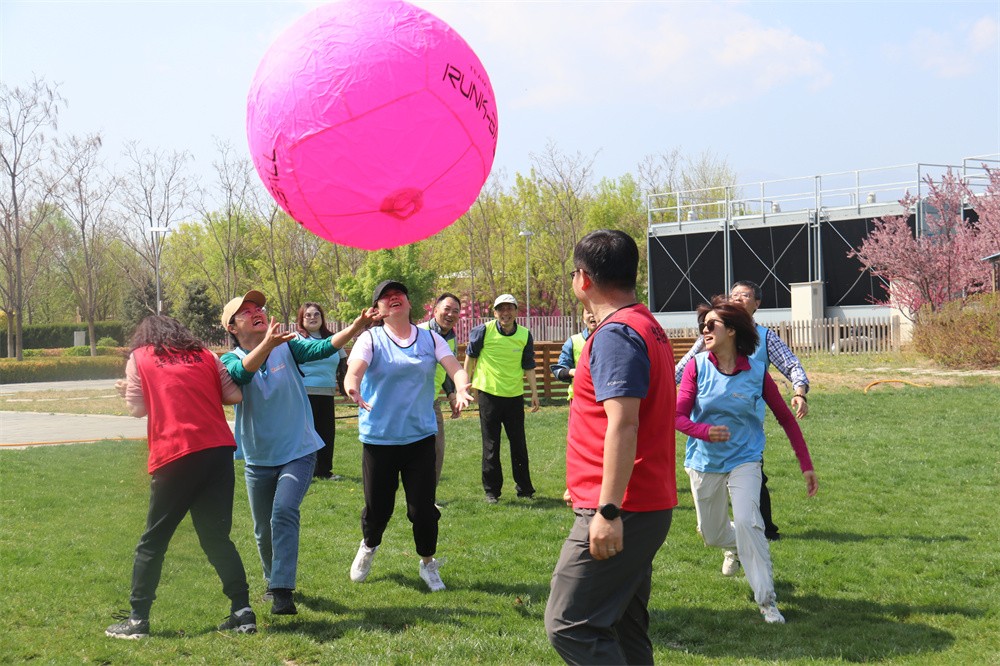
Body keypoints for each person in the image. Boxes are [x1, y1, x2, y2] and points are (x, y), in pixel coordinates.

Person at [544, 230, 677, 664]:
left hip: (625, 507)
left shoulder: (617, 333)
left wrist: (606, 509)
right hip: (639, 503)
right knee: (624, 625)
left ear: (583, 279)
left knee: (569, 624)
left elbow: (624, 424)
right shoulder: (645, 323)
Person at [221, 290, 373, 615]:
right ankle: (271, 580)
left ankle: (282, 590)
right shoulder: (229, 360)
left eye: (259, 307)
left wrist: (356, 326)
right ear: (232, 327)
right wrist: (266, 346)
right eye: (246, 311)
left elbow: (322, 347)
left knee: (283, 511)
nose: (257, 312)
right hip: (258, 458)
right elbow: (241, 374)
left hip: (299, 450)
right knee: (263, 530)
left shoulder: (287, 346)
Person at [106, 315, 256, 639]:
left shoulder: (140, 357)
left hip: (175, 453)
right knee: (217, 538)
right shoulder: (206, 355)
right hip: (217, 450)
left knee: (154, 540)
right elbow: (234, 397)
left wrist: (128, 390)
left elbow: (137, 409)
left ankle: (137, 620)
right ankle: (243, 612)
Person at [675, 296, 819, 624]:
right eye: (703, 326)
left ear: (732, 331)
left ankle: (767, 602)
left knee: (749, 522)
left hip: (745, 459)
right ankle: (737, 546)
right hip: (703, 461)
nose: (705, 330)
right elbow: (677, 417)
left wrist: (806, 465)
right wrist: (704, 431)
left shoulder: (756, 371)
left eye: (711, 325)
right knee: (711, 535)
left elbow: (785, 418)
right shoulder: (696, 367)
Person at [343, 280, 473, 591]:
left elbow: (455, 368)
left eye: (398, 293)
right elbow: (354, 370)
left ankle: (428, 563)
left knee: (423, 510)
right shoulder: (370, 338)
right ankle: (369, 545)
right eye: (385, 297)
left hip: (420, 437)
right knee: (378, 509)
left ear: (409, 303)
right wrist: (352, 387)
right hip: (380, 439)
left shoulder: (430, 339)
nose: (393, 298)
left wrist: (461, 387)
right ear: (378, 310)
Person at [674, 280, 810, 541]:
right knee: (711, 528)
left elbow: (792, 365)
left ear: (757, 304)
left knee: (752, 482)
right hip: (707, 443)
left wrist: (799, 391)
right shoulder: (712, 336)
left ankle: (764, 531)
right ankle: (731, 539)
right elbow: (680, 372)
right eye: (733, 294)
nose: (737, 298)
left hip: (747, 429)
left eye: (744, 295)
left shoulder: (766, 338)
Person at [463, 293, 540, 503]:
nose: (505, 313)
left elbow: (528, 365)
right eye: (501, 309)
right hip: (489, 395)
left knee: (519, 444)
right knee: (491, 445)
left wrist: (534, 393)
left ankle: (525, 489)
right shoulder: (483, 331)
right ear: (495, 312)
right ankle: (492, 492)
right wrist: (464, 386)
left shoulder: (524, 334)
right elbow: (470, 358)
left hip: (514, 395)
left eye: (509, 308)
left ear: (516, 311)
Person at [296, 301, 348, 481]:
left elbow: (343, 364)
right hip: (302, 394)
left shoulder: (334, 339)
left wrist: (344, 388)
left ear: (322, 317)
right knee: (304, 434)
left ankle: (324, 471)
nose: (312, 318)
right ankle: (302, 471)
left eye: (316, 314)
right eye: (308, 315)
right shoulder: (295, 338)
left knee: (326, 433)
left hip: (327, 393)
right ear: (301, 319)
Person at [417, 292, 462, 487]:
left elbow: (447, 369)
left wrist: (452, 395)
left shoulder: (451, 338)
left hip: (432, 401)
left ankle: (428, 496)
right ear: (435, 311)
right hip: (410, 400)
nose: (450, 314)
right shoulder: (418, 332)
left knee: (436, 450)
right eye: (447, 309)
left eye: (455, 311)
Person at [549, 308, 598, 401]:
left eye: (595, 311)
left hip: (607, 399)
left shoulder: (613, 340)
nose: (592, 315)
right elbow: (559, 370)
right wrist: (573, 372)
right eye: (588, 312)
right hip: (580, 399)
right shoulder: (573, 341)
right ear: (583, 319)